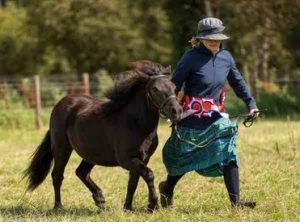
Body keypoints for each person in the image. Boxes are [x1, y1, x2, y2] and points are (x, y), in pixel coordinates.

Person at [159, 17, 259, 209]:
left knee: (229, 153)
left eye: (217, 37)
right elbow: (174, 84)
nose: (214, 41)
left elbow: (238, 82)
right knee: (183, 158)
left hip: (216, 117)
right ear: (201, 38)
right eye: (209, 37)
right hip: (190, 118)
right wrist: (169, 109)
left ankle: (236, 203)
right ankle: (167, 188)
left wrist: (251, 104)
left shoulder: (226, 58)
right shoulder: (189, 58)